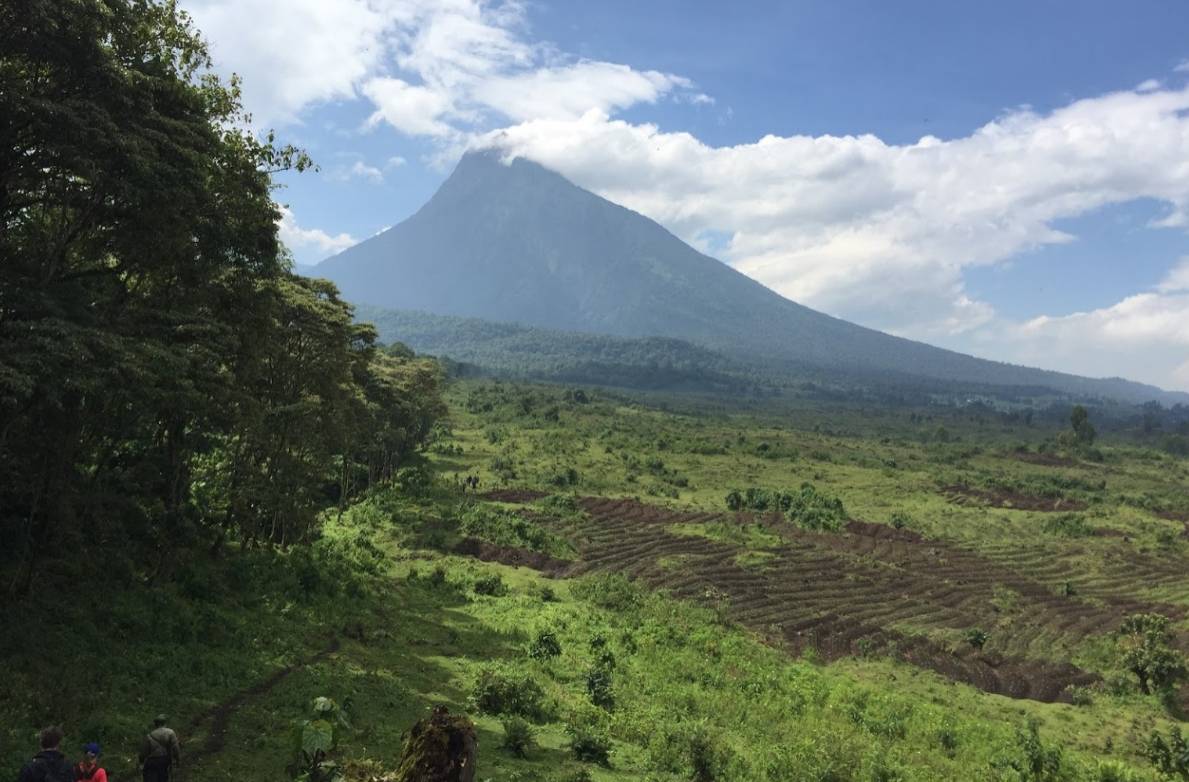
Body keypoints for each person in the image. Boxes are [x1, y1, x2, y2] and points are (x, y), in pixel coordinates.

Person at [138, 715, 181, 782]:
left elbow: (143, 752)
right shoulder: (170, 732)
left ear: (155, 724)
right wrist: (178, 760)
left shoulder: (149, 735)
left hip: (152, 762)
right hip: (164, 760)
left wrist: (141, 762)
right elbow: (176, 748)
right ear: (165, 723)